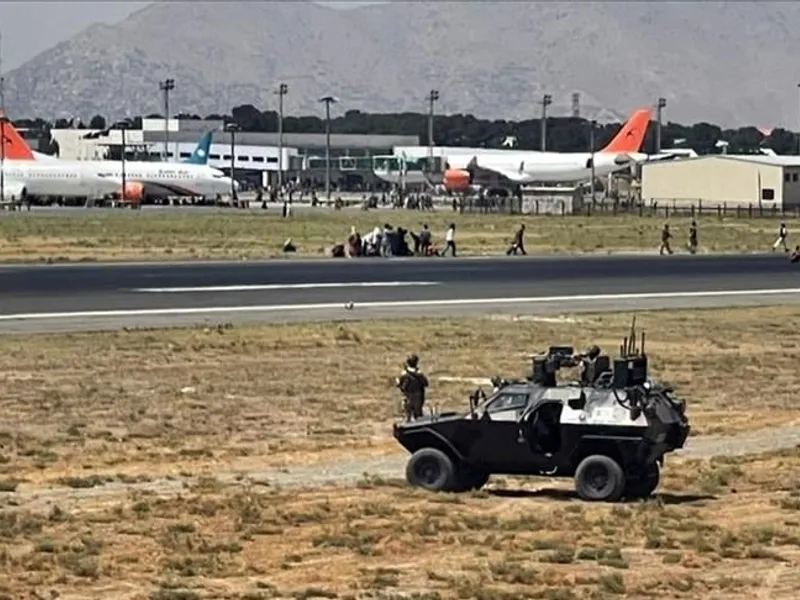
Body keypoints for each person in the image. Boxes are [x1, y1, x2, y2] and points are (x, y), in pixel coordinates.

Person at [396, 354, 429, 421]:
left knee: (407, 416)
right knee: (419, 417)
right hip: (418, 398)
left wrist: (398, 383)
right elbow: (426, 383)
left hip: (408, 398)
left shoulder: (404, 374)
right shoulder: (420, 374)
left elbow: (402, 387)